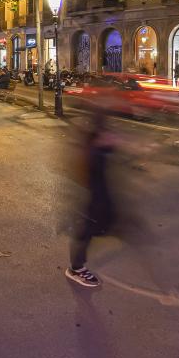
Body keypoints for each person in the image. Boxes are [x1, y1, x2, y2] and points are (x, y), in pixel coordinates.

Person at [64, 109, 119, 287]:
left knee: (96, 224)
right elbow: (84, 162)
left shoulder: (100, 123)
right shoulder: (92, 131)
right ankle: (76, 268)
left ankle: (77, 266)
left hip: (100, 188)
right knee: (86, 228)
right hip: (91, 191)